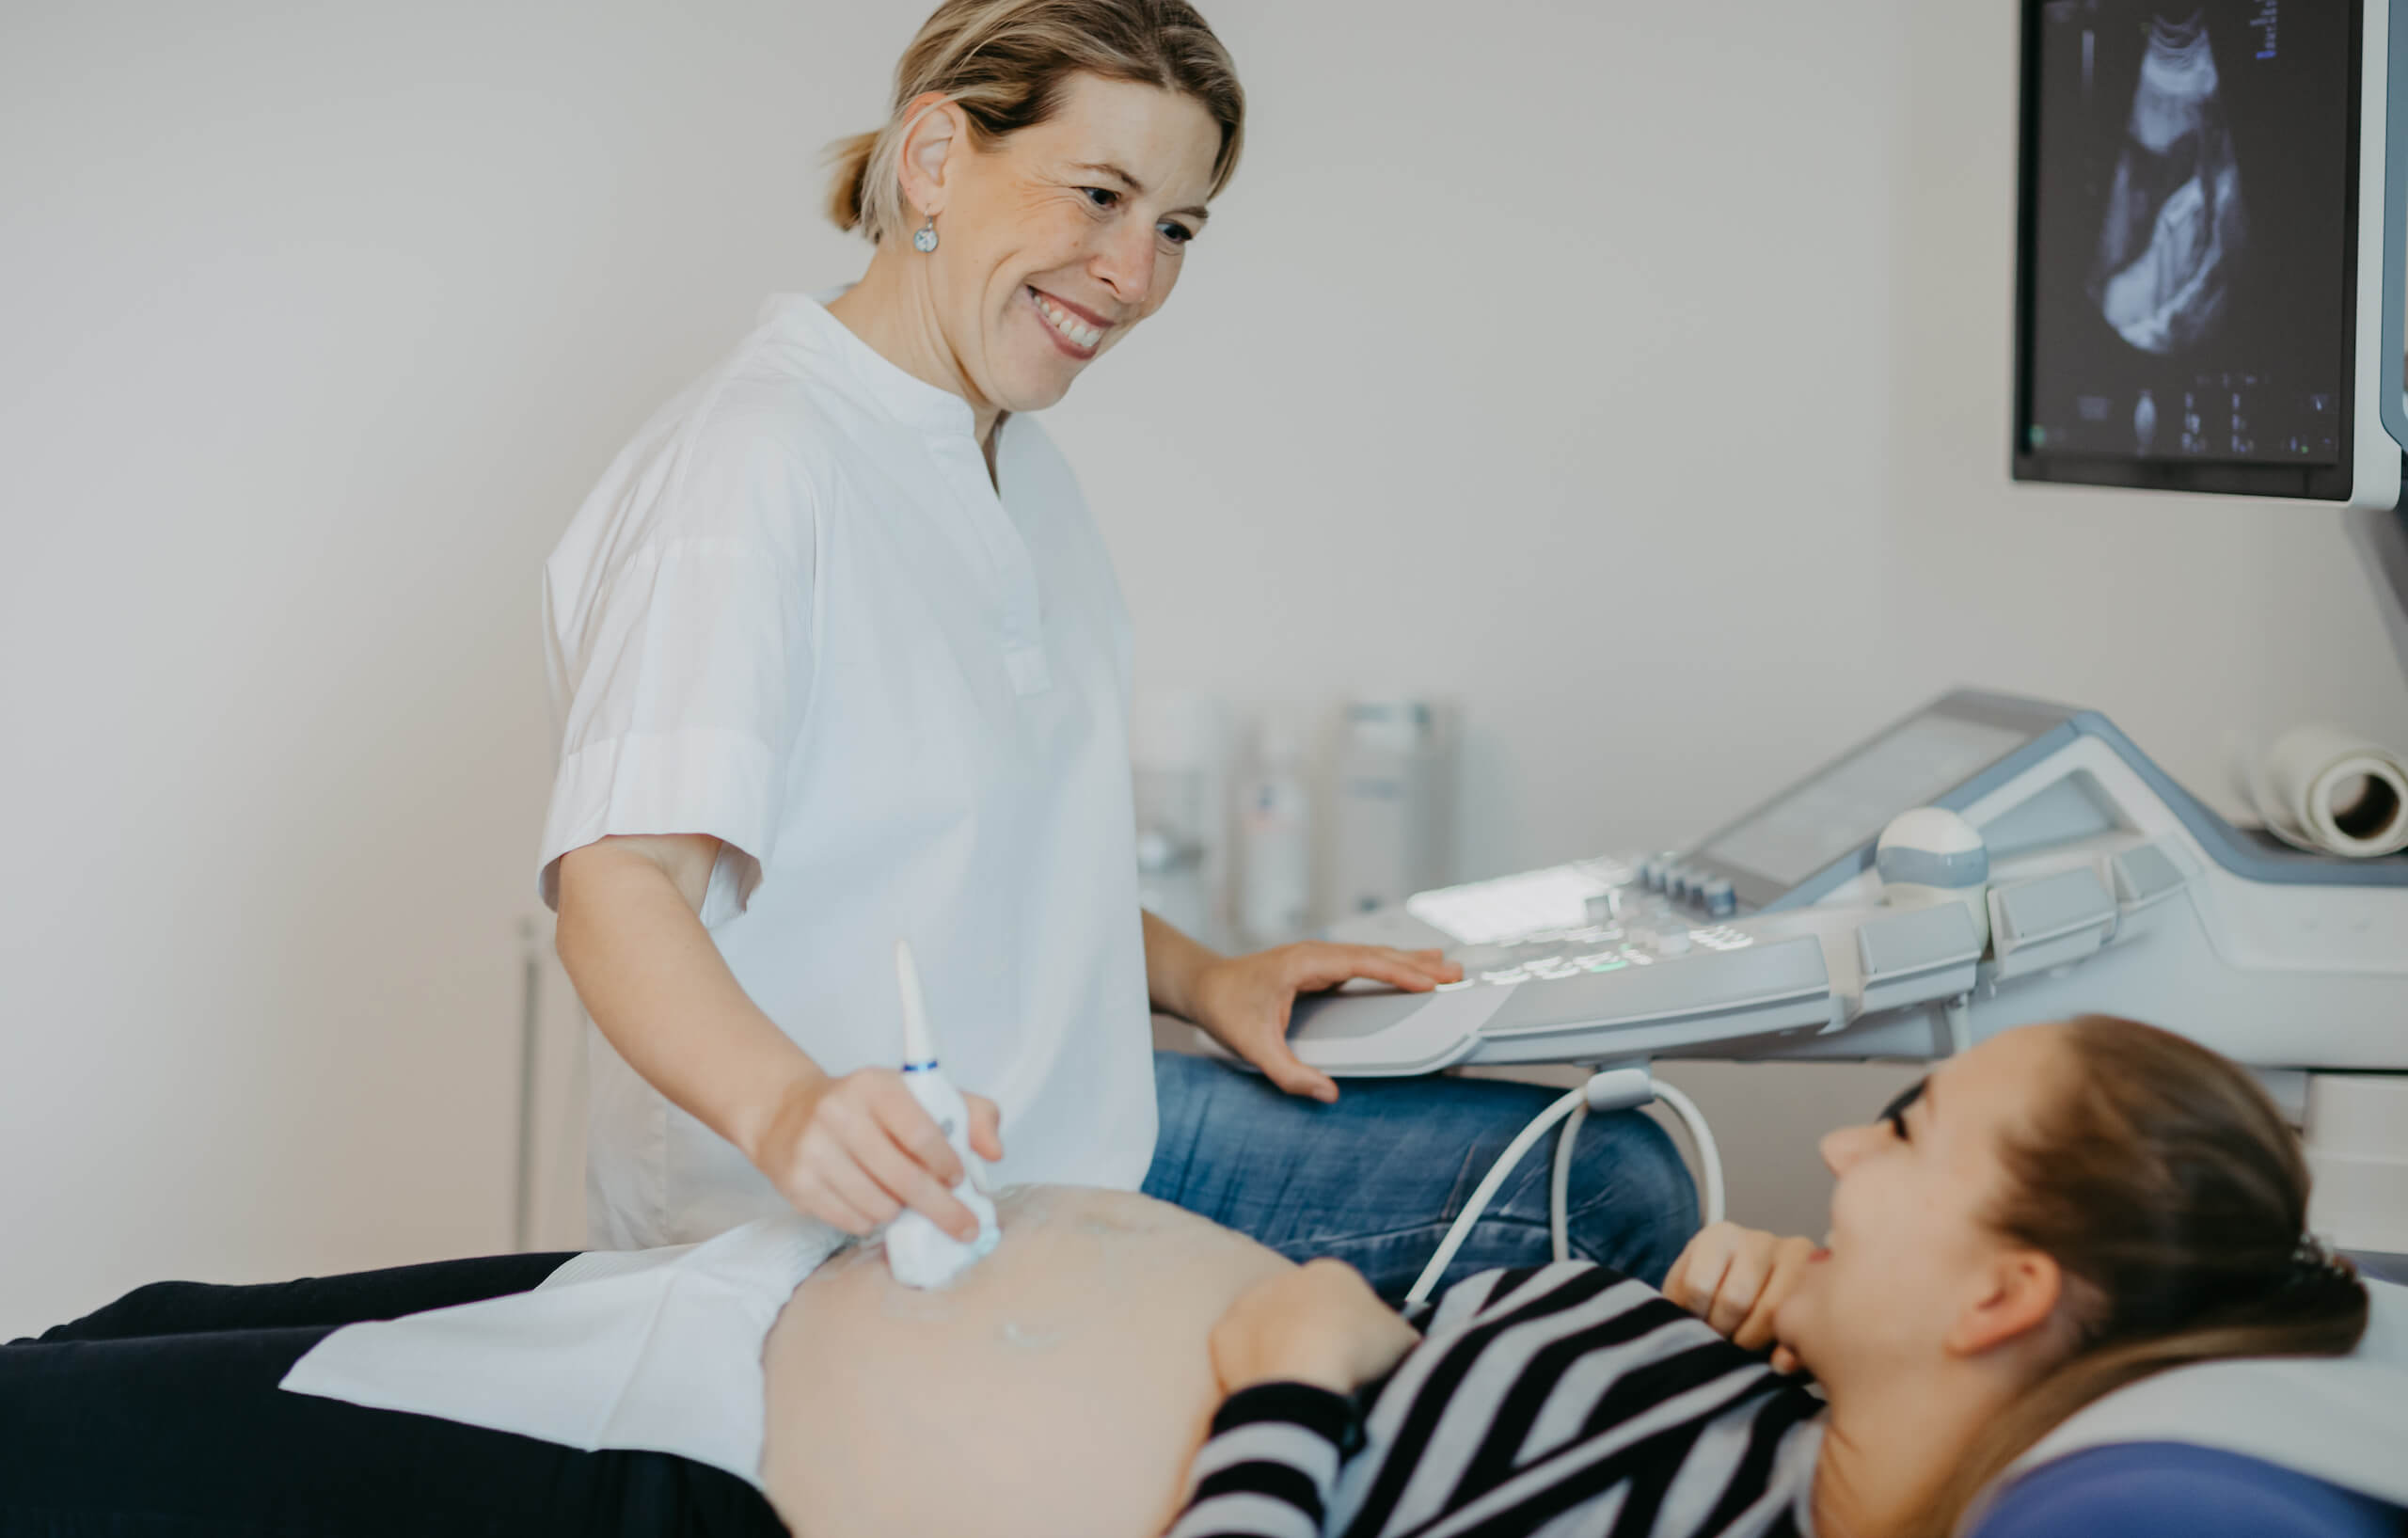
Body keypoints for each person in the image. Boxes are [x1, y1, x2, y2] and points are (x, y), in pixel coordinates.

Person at [538, 0, 1690, 1288]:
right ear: (932, 159)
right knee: (1605, 1201)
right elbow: (620, 889)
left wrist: (1211, 981)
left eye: (1178, 229)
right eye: (1100, 195)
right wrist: (791, 1112)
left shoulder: (1016, 464)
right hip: (852, 1228)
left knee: (1603, 1167)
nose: (1135, 275)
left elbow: (975, 863)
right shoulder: (753, 465)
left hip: (1075, 1143)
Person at [3, 1017, 2377, 1538]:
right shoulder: (1751, 1407)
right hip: (741, 1290)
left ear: (1997, 1294)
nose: (1843, 1142)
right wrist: (1748, 1306)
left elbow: (1319, 1442)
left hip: (696, 1469)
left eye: (1908, 1134)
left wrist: (1290, 1379)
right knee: (96, 1346)